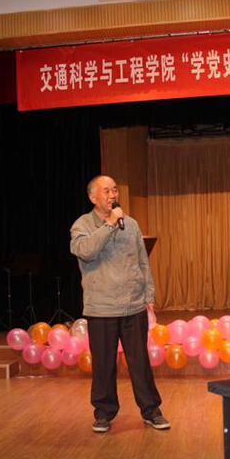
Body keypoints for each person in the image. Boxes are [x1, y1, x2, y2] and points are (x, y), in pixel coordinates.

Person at [70, 175, 170, 433]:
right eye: (106, 191)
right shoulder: (82, 225)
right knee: (103, 365)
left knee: (140, 363)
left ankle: (151, 410)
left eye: (114, 189)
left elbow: (142, 261)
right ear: (93, 197)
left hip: (133, 305)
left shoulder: (131, 224)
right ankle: (103, 413)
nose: (112, 195)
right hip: (101, 308)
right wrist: (109, 224)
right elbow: (86, 251)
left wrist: (149, 296)